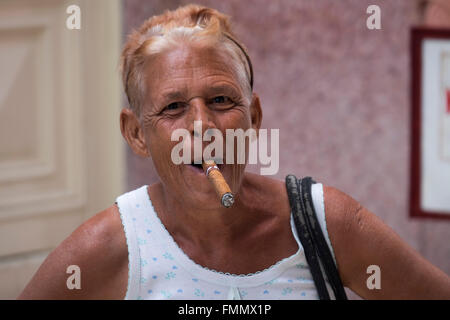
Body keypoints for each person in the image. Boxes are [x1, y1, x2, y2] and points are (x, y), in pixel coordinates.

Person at [18, 4, 450, 300]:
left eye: (222, 100)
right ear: (136, 134)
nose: (202, 125)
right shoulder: (112, 247)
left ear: (254, 116)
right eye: (173, 107)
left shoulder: (325, 223)